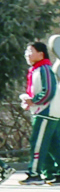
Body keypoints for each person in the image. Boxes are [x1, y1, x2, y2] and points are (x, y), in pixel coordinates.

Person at [28, 41, 57, 183]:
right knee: (53, 145)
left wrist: (34, 101)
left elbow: (49, 90)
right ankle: (54, 173)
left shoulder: (44, 68)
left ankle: (34, 174)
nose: (27, 54)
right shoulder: (37, 69)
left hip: (45, 111)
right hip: (45, 111)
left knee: (37, 143)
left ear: (41, 54)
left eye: (30, 51)